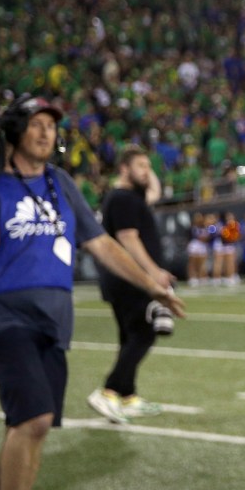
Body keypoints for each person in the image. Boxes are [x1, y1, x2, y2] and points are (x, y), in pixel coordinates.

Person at [0, 95, 184, 490]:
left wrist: (150, 284)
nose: (45, 133)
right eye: (36, 124)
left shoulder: (61, 183)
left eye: (51, 126)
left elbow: (102, 246)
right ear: (16, 131)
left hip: (52, 321)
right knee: (36, 417)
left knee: (28, 425)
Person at [87, 144, 177, 425]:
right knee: (144, 333)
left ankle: (127, 396)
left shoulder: (130, 196)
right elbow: (128, 239)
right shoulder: (123, 198)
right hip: (129, 279)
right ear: (124, 169)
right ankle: (110, 390)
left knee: (130, 336)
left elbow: (155, 191)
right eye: (141, 166)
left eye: (148, 167)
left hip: (125, 280)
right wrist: (154, 273)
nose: (147, 172)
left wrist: (147, 171)